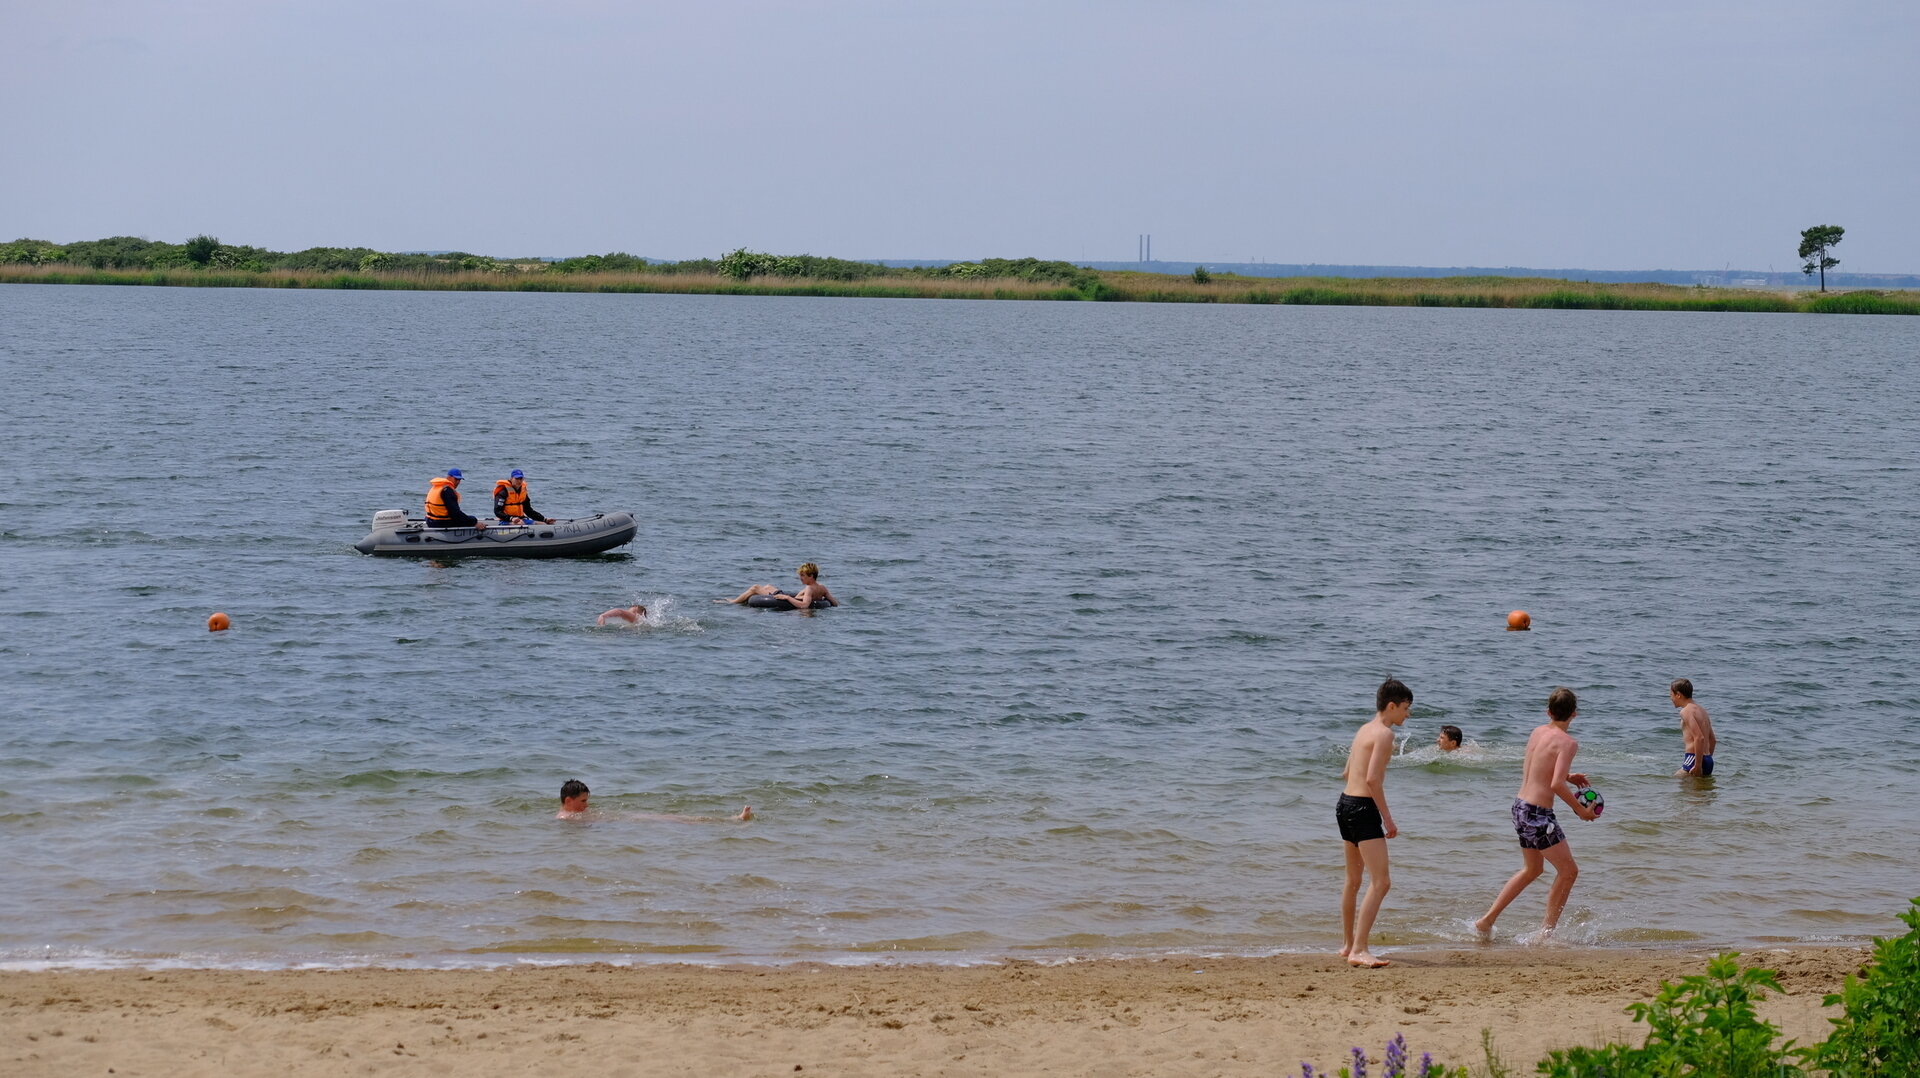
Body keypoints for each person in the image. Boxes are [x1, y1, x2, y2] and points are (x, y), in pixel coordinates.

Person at [1474, 687, 1597, 941]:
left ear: (1548, 712)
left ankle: (1486, 921)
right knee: (1568, 872)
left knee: (1532, 870)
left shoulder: (1537, 731)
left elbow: (1539, 767)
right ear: (1574, 714)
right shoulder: (1569, 743)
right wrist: (1580, 811)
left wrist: (1568, 776)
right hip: (1538, 814)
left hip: (1520, 806)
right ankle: (1546, 934)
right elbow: (1555, 785)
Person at [1336, 677, 1412, 968]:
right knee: (1381, 882)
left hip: (1344, 804)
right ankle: (1360, 949)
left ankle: (1347, 945)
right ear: (1391, 706)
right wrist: (1388, 820)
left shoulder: (1364, 729)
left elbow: (1347, 772)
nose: (1407, 714)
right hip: (1363, 808)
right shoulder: (1384, 735)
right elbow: (1372, 780)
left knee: (1353, 880)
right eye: (1405, 708)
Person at [555, 779, 752, 822]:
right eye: (583, 801)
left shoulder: (575, 815)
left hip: (625, 819)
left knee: (669, 817)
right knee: (670, 819)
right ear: (569, 800)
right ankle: (732, 819)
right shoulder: (565, 819)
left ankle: (733, 819)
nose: (586, 805)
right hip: (624, 822)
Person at [721, 562, 838, 608]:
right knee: (767, 586)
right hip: (786, 597)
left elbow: (804, 605)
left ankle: (733, 602)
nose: (800, 578)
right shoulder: (822, 588)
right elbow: (835, 603)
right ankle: (743, 602)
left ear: (811, 576)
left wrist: (786, 597)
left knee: (755, 587)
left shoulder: (809, 588)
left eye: (803, 575)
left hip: (784, 599)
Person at [1670, 679, 1717, 777]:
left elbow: (1699, 737)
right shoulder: (1702, 710)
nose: (1671, 698)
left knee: (1674, 782)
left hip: (1693, 758)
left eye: (1671, 695)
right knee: (1698, 792)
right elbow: (1712, 740)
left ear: (1678, 695)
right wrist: (1706, 759)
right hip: (1708, 759)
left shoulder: (1686, 711)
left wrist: (1698, 765)